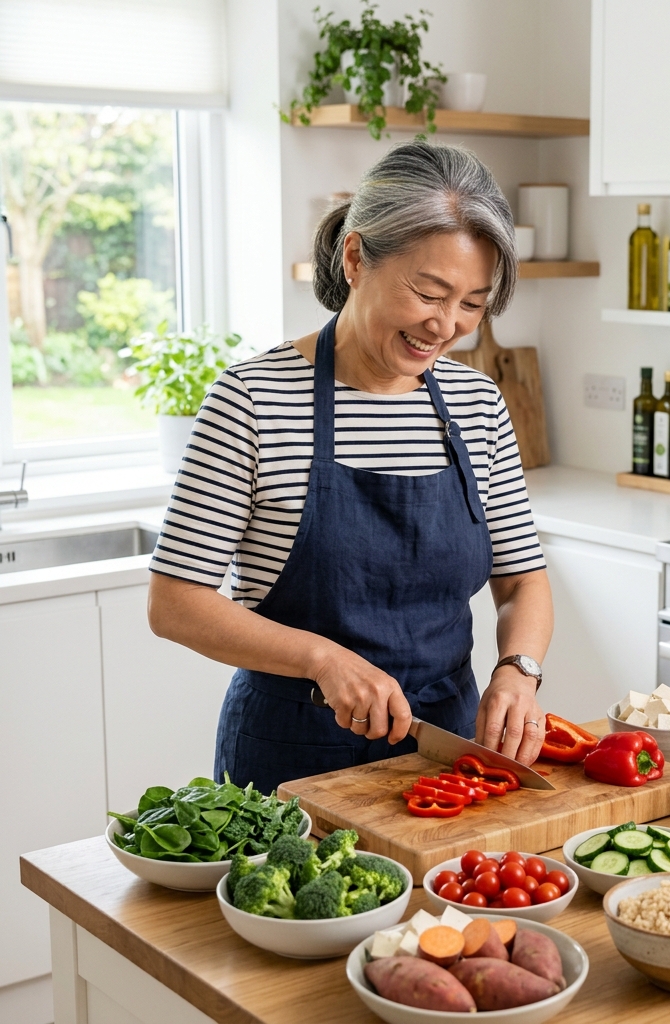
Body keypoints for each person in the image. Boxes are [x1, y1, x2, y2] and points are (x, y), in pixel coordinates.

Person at [147, 141, 553, 794]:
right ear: (357, 257)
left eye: (473, 304)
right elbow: (175, 604)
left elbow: (522, 581)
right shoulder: (253, 398)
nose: (446, 325)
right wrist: (322, 659)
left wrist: (518, 670)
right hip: (291, 757)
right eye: (428, 292)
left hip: (448, 753)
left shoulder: (478, 403)